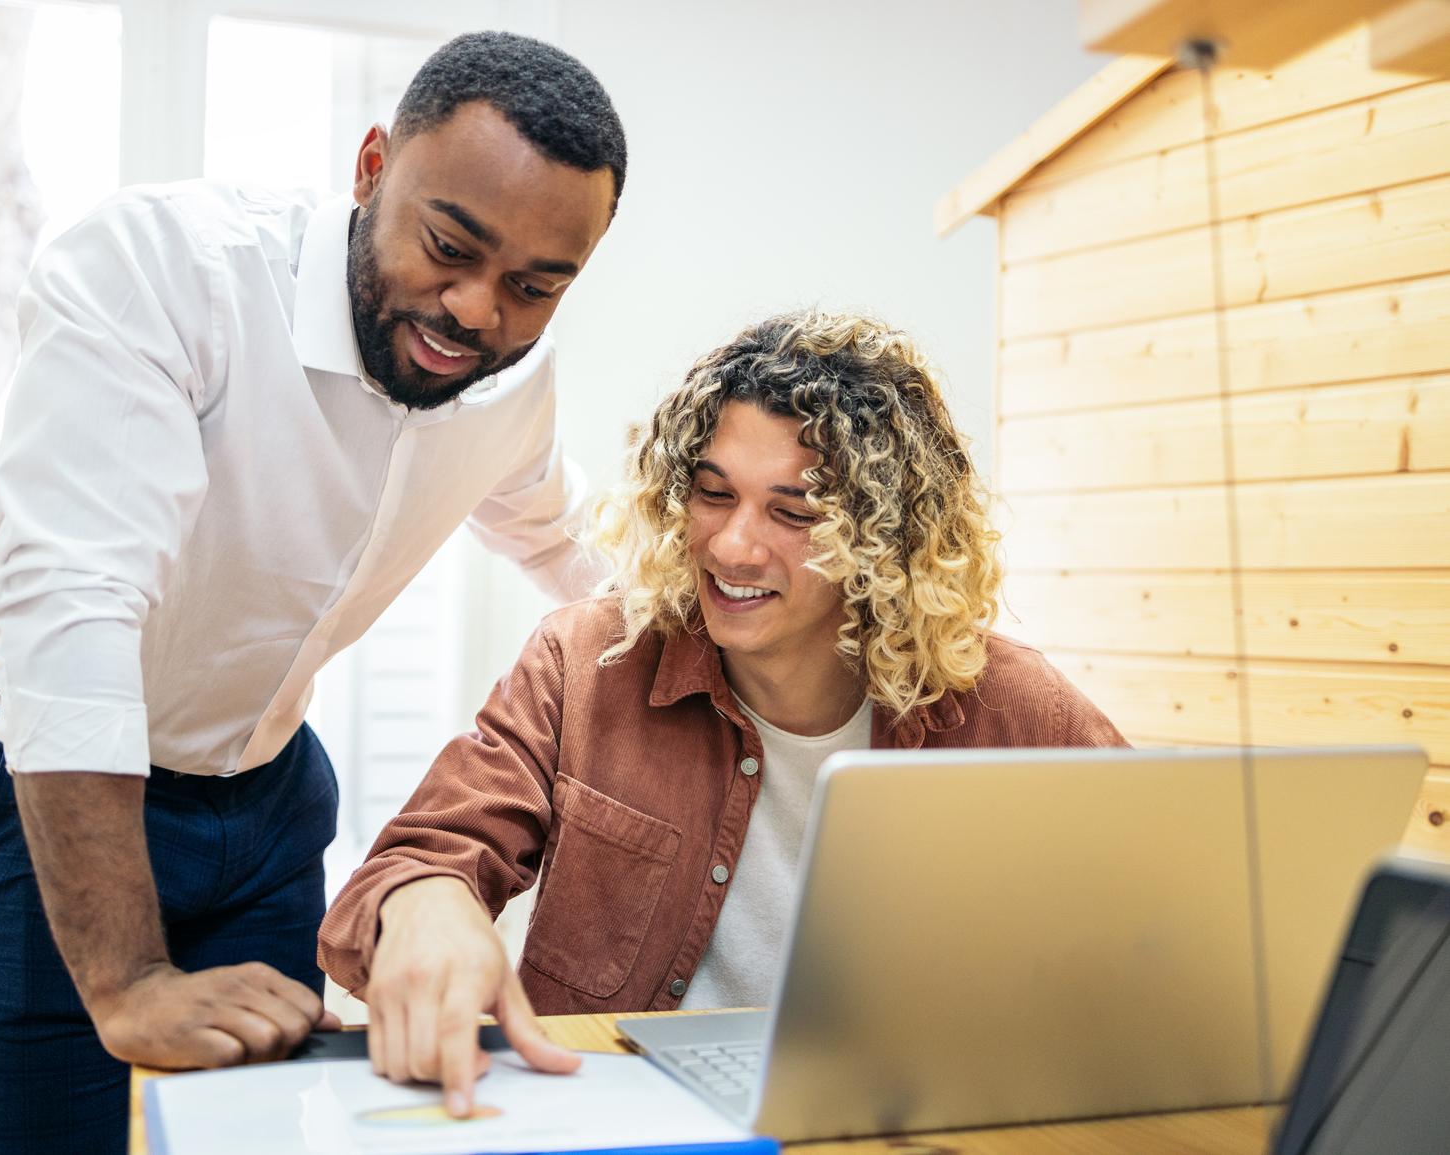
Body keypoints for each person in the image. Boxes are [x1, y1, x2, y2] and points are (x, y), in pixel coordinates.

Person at [0, 32, 626, 1155]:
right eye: (449, 246)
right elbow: (70, 613)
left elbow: (563, 533)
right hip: (51, 794)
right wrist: (126, 976)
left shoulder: (510, 376)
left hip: (267, 811)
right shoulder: (165, 269)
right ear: (368, 169)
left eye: (534, 286)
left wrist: (750, 625)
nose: (475, 312)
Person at [319, 310, 1130, 1117]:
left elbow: (1169, 923)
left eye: (794, 511)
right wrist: (425, 901)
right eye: (712, 494)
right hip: (613, 1122)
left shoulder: (1008, 708)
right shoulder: (586, 663)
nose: (733, 546)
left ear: (886, 541)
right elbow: (417, 861)